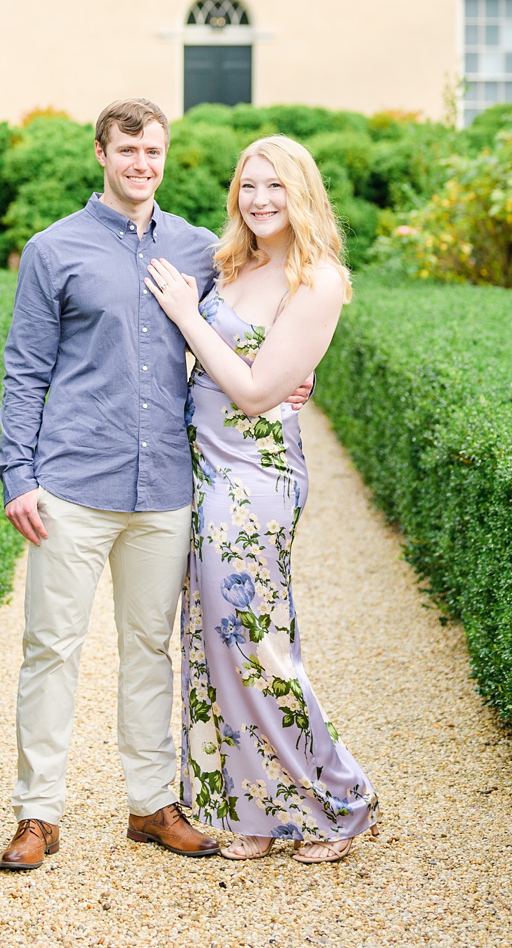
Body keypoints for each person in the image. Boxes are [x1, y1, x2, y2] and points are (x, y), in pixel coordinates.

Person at [0, 97, 311, 873]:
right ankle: (38, 813)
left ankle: (149, 804)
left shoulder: (203, 250)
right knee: (51, 649)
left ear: (165, 158)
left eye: (154, 152)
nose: (142, 164)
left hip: (167, 485)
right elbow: (25, 369)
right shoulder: (52, 250)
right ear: (102, 154)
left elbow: (261, 325)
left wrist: (295, 382)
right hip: (70, 482)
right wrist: (17, 473)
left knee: (150, 649)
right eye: (128, 151)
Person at [143, 133, 378, 862]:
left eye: (276, 186)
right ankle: (254, 812)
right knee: (212, 642)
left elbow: (249, 391)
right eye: (249, 186)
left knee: (256, 640)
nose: (261, 199)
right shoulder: (233, 263)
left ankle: (344, 798)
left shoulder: (319, 279)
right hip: (201, 470)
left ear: (301, 192)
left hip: (254, 478)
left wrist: (188, 317)